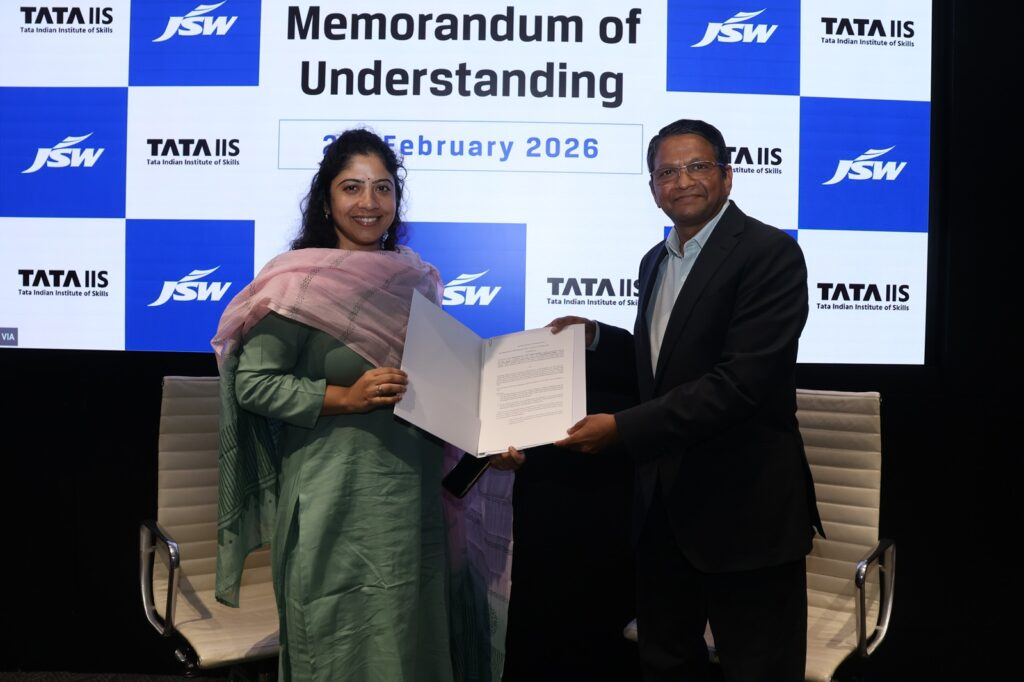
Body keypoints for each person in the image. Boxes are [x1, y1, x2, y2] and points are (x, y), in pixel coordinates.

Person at [547, 119, 823, 682]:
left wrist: (622, 430)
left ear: (726, 176)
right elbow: (663, 367)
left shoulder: (770, 253)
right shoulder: (655, 261)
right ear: (653, 189)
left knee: (759, 669)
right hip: (663, 510)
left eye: (697, 167)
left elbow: (737, 384)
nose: (682, 181)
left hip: (746, 515)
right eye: (666, 172)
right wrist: (597, 337)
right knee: (665, 662)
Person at [211, 128, 454, 681]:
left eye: (383, 188)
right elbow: (253, 384)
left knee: (407, 639)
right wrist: (346, 396)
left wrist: (491, 432)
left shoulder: (414, 282)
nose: (369, 203)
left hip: (409, 495)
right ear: (327, 201)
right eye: (352, 188)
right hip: (331, 497)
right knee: (337, 642)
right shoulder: (297, 285)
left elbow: (441, 384)